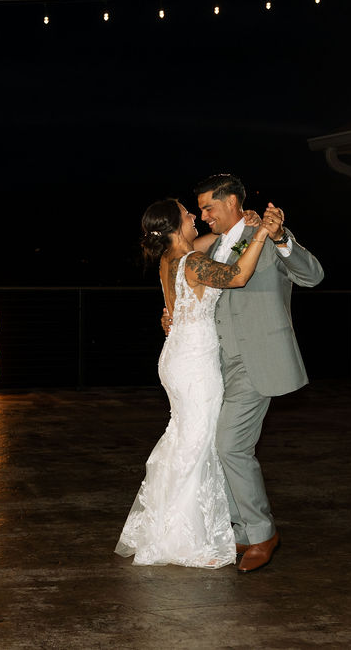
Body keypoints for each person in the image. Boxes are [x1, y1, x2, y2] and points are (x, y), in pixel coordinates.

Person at [116, 198, 274, 568]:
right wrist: (263, 235)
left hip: (176, 356)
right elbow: (238, 275)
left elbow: (222, 240)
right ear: (175, 225)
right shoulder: (192, 262)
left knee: (184, 440)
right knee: (198, 445)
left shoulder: (170, 257)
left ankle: (168, 526)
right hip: (195, 366)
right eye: (187, 213)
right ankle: (183, 536)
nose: (193, 216)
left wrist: (244, 226)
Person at [184, 173, 324, 573]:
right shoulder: (217, 245)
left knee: (231, 445)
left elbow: (312, 276)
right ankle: (242, 530)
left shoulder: (266, 235)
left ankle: (263, 533)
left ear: (232, 202)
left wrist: (280, 238)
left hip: (256, 358)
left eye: (208, 207)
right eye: (200, 209)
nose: (203, 215)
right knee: (216, 445)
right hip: (216, 362)